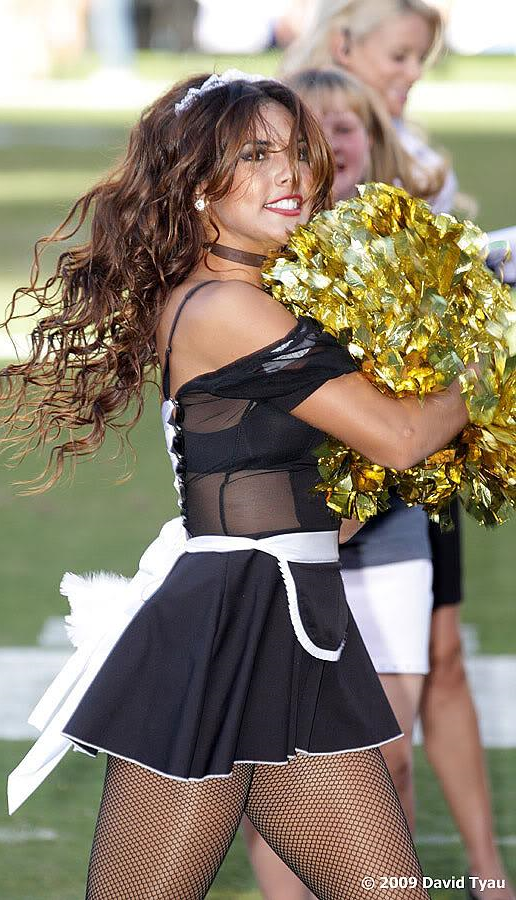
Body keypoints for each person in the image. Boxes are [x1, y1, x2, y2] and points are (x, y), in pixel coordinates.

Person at [0, 71, 475, 898]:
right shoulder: (221, 307)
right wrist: (491, 360)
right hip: (220, 633)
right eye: (257, 155)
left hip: (301, 632)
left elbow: (332, 511)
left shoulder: (260, 298)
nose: (293, 175)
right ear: (200, 186)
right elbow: (402, 435)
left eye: (297, 153)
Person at [277, 5, 515, 898]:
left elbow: (441, 317)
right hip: (301, 496)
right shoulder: (262, 181)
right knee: (288, 758)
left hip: (402, 482)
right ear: (345, 43)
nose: (413, 72)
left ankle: (481, 874)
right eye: (401, 54)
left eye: (422, 59)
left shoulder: (411, 173)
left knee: (402, 718)